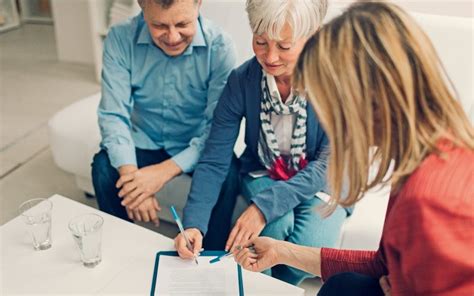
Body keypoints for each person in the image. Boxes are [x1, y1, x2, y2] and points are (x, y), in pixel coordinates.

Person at [233, 2, 474, 295]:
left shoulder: (430, 201)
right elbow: (384, 265)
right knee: (342, 285)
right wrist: (282, 252)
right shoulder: (422, 160)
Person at [175, 0, 351, 285]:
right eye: (260, 41)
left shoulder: (339, 81)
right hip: (265, 172)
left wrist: (262, 207)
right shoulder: (241, 80)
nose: (270, 57)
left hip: (325, 182)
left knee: (306, 251)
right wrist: (194, 224)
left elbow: (328, 164)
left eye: (284, 46)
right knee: (269, 232)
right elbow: (215, 157)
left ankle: (273, 287)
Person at [91, 0, 238, 235]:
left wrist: (161, 174)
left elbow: (217, 129)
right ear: (141, 5)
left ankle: (212, 255)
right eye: (159, 25)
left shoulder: (220, 47)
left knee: (229, 173)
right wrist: (134, 183)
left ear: (198, 3)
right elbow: (113, 115)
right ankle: (120, 245)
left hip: (194, 144)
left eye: (182, 24)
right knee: (103, 168)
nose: (172, 37)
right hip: (144, 139)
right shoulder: (120, 38)